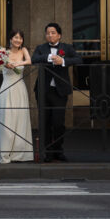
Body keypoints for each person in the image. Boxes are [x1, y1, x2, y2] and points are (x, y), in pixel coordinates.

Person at [30, 22, 81, 162]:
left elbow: (78, 59)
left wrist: (63, 61)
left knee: (58, 123)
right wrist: (49, 58)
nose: (50, 35)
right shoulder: (41, 48)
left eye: (53, 33)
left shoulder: (67, 48)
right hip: (43, 91)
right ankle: (47, 152)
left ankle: (58, 150)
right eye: (47, 33)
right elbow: (34, 59)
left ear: (59, 35)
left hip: (60, 91)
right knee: (45, 122)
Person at [0, 30, 33, 163]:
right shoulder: (3, 52)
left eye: (20, 38)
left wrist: (16, 64)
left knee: (21, 119)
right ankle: (6, 153)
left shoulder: (24, 50)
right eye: (15, 37)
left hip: (20, 88)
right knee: (7, 119)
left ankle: (21, 153)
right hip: (6, 89)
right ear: (10, 39)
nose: (18, 40)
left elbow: (29, 61)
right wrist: (2, 63)